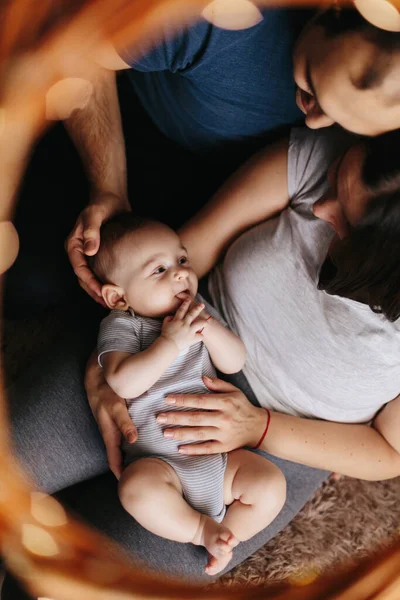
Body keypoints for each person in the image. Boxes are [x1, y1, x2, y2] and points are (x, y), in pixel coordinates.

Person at [5, 124, 400, 600]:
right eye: (335, 180)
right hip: (166, 340)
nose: (321, 208)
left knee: (88, 583)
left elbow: (389, 451)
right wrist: (105, 370)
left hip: (284, 438)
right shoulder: (340, 159)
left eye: (345, 218)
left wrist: (258, 427)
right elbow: (176, 257)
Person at [5, 7, 400, 316]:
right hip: (127, 120)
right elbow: (75, 47)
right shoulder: (215, 21)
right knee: (28, 275)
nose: (314, 124)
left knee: (42, 287)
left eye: (349, 127)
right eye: (312, 87)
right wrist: (108, 184)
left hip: (211, 179)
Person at [90, 214, 285, 575]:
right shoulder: (123, 325)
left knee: (271, 484)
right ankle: (199, 529)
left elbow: (234, 360)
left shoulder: (197, 313)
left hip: (221, 458)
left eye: (182, 260)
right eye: (159, 270)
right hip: (162, 467)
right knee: (135, 489)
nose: (180, 273)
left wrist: (209, 331)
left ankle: (227, 536)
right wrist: (169, 342)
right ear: (118, 296)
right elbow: (122, 383)